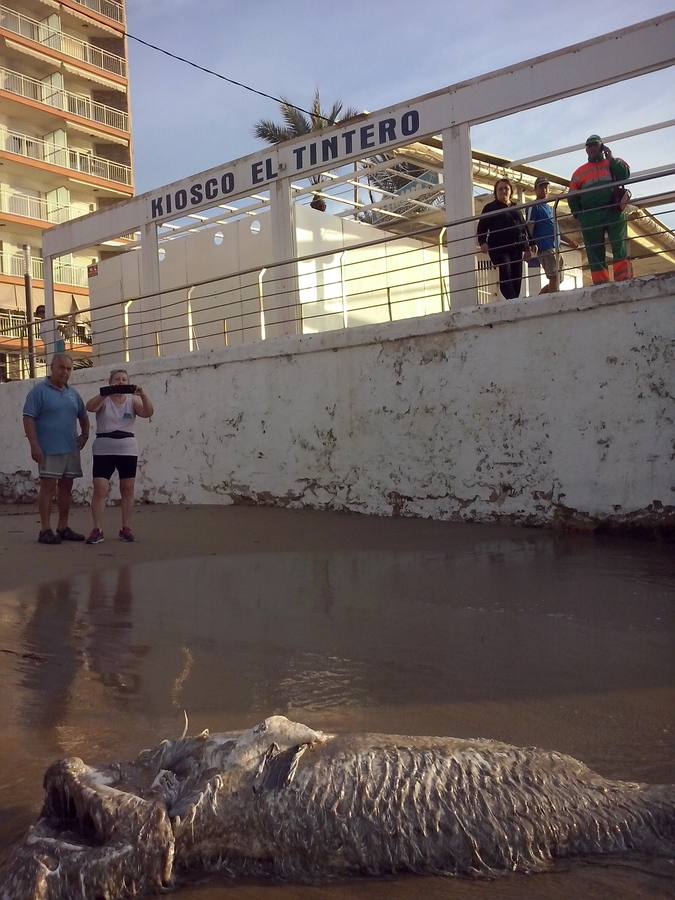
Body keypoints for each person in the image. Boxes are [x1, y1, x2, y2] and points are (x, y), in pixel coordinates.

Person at [22, 353, 89, 544]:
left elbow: (83, 416)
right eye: (61, 367)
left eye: (69, 369)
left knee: (67, 488)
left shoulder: (73, 394)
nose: (65, 372)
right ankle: (45, 530)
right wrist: (34, 445)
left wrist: (84, 435)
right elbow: (28, 418)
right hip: (48, 450)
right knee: (48, 488)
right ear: (52, 367)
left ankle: (63, 527)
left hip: (70, 450)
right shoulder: (38, 392)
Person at [84, 368, 154, 544]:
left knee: (127, 488)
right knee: (100, 487)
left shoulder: (133, 401)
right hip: (103, 447)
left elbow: (148, 412)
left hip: (127, 448)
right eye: (117, 379)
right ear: (110, 382)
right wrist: (104, 394)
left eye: (124, 379)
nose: (121, 382)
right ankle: (97, 529)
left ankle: (126, 528)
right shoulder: (104, 400)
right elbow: (89, 407)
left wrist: (143, 394)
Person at [568, 135, 632, 285]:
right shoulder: (579, 172)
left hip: (613, 210)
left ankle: (623, 279)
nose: (591, 148)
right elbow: (572, 195)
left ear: (602, 147)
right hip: (590, 216)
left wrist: (611, 158)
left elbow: (625, 174)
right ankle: (601, 282)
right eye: (588, 146)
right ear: (585, 150)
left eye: (594, 145)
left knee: (619, 244)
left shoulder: (612, 163)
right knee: (594, 250)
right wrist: (578, 214)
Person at [477, 178, 534, 300]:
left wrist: (529, 246)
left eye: (506, 188)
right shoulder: (490, 208)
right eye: (500, 189)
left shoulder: (515, 208)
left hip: (516, 247)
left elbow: (523, 228)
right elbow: (482, 227)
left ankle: (514, 300)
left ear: (511, 192)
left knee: (517, 277)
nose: (503, 191)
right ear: (496, 192)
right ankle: (513, 300)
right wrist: (483, 242)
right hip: (499, 248)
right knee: (506, 272)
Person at [526, 176, 579, 294]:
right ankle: (553, 299)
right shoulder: (534, 206)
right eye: (541, 187)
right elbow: (529, 226)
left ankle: (539, 298)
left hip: (556, 247)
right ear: (535, 189)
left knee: (558, 279)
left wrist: (569, 241)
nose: (544, 190)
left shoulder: (550, 208)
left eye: (546, 187)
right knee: (554, 276)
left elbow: (556, 229)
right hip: (545, 247)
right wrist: (529, 245)